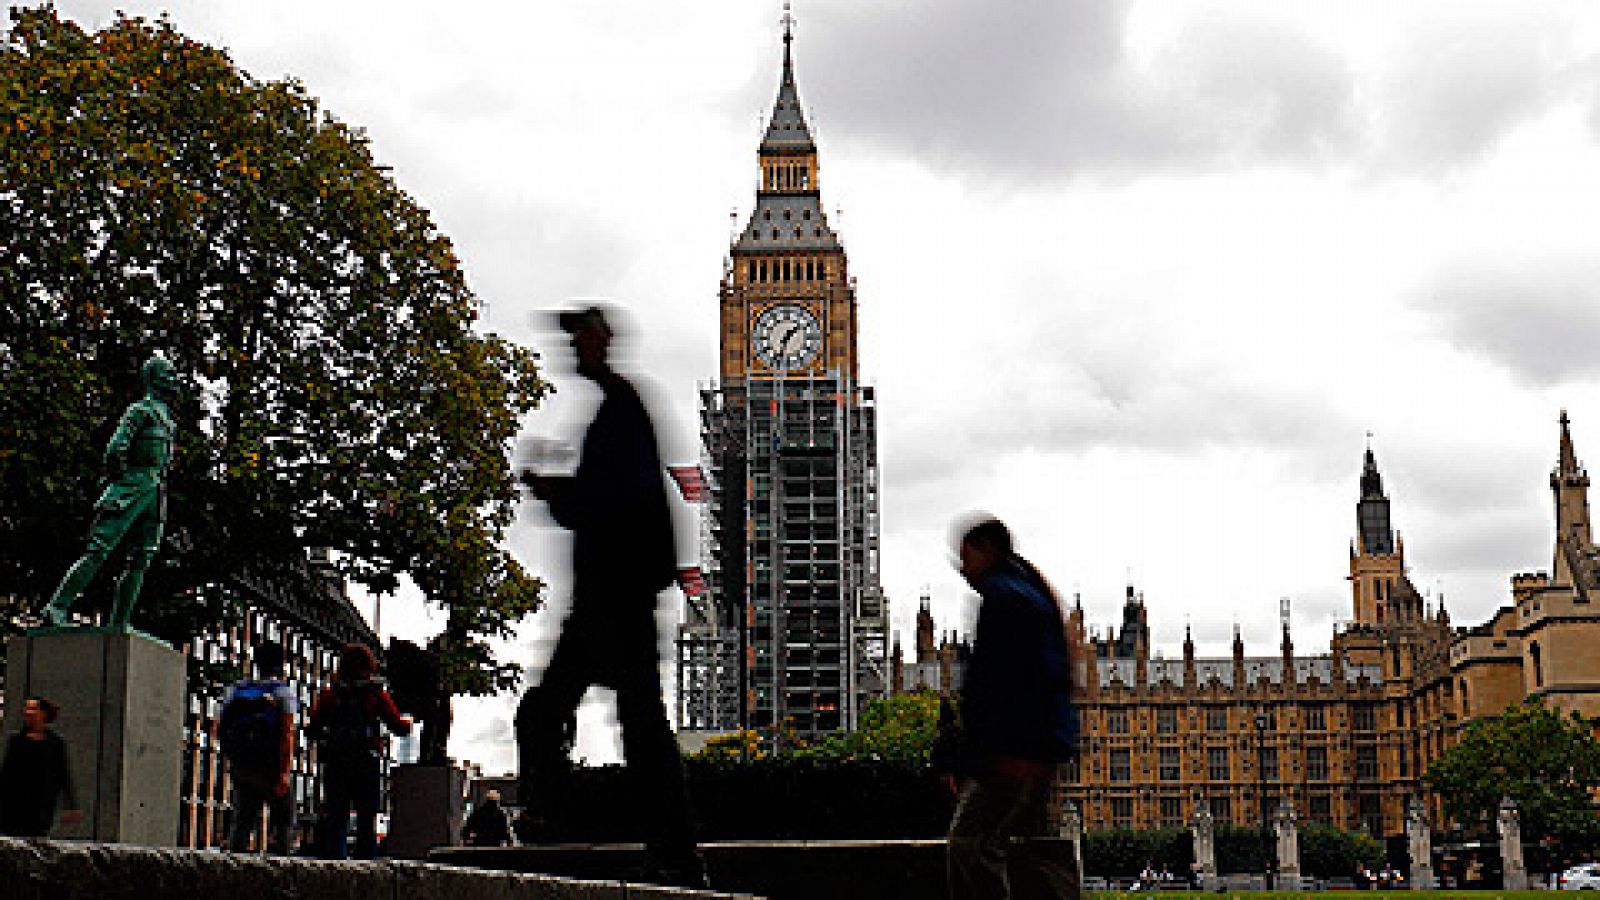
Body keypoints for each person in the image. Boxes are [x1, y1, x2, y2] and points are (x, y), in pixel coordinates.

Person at [514, 305, 705, 888]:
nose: (572, 350)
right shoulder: (622, 406)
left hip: (611, 604)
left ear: (601, 340)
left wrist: (554, 490)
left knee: (552, 717)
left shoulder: (620, 409)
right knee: (637, 728)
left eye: (579, 339)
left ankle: (558, 816)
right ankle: (671, 850)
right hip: (615, 602)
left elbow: (609, 504)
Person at [944, 517, 1079, 900]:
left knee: (971, 847)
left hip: (1013, 753)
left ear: (988, 549)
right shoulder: (1030, 590)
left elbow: (997, 683)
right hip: (1036, 749)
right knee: (1031, 849)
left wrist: (978, 756)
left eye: (966, 557)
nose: (962, 569)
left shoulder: (1007, 598)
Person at [43, 352, 178, 629]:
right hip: (133, 486)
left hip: (155, 491)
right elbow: (116, 449)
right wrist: (124, 480)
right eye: (168, 374)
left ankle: (120, 621)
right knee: (99, 549)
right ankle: (56, 607)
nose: (173, 379)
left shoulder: (168, 421)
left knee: (141, 558)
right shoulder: (141, 411)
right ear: (153, 378)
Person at [308, 643, 411, 859]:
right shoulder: (375, 694)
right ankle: (365, 866)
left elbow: (313, 728)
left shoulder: (331, 693)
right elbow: (398, 726)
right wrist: (408, 722)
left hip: (336, 760)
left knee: (337, 816)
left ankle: (335, 863)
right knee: (366, 817)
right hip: (366, 761)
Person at [219, 642, 297, 854]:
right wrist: (284, 772)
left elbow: (222, 727)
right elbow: (287, 734)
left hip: (243, 765)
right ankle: (284, 867)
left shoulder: (236, 690)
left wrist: (232, 758)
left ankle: (234, 865)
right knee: (284, 819)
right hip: (270, 766)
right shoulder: (283, 693)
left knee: (243, 819)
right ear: (281, 665)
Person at [0, 696, 83, 836]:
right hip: (14, 803)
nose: (27, 712)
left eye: (32, 708)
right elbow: (6, 774)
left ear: (43, 713)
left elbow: (63, 774)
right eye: (26, 708)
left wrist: (71, 804)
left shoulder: (55, 744)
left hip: (41, 805)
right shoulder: (16, 741)